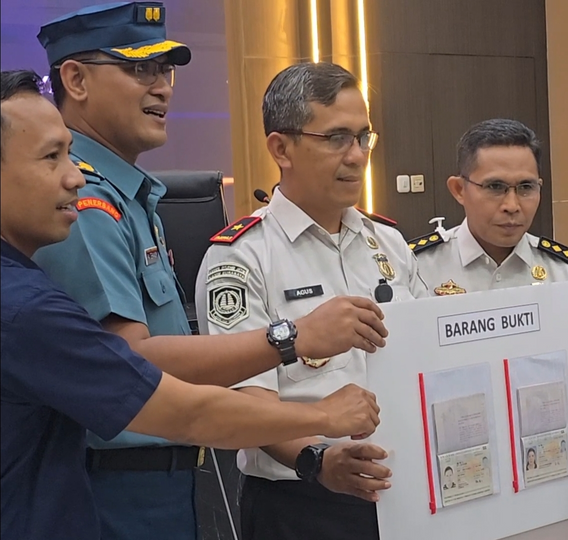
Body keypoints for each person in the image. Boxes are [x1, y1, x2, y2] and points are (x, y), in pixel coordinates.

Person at [29, 4, 390, 539]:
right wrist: (295, 343)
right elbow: (127, 365)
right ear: (76, 80)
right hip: (117, 485)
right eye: (139, 69)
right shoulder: (85, 203)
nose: (162, 87)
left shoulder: (133, 198)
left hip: (167, 477)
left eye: (165, 70)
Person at [195, 61, 429, 540]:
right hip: (302, 500)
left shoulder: (389, 242)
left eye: (363, 137)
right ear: (281, 148)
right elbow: (247, 405)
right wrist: (318, 459)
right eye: (336, 138)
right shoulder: (241, 258)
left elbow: (429, 357)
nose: (357, 156)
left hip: (404, 489)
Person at [409, 118, 568, 507]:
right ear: (459, 189)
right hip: (449, 475)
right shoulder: (418, 268)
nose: (512, 205)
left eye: (526, 188)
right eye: (495, 187)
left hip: (544, 474)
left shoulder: (566, 272)